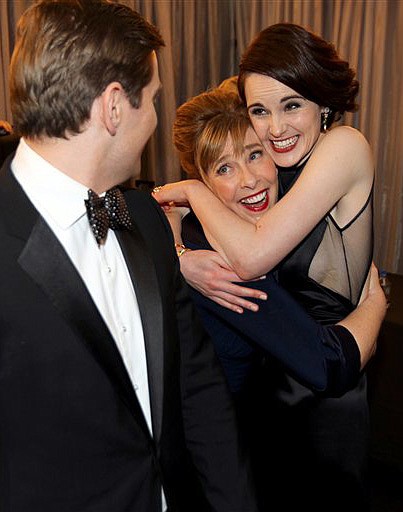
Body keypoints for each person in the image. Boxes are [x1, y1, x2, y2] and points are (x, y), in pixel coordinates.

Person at [0, 2, 260, 511]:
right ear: (114, 106)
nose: (157, 119)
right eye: (155, 100)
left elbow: (198, 387)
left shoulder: (145, 218)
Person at [153, 23, 378, 510]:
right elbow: (249, 258)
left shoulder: (334, 152)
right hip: (260, 414)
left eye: (291, 105)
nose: (275, 129)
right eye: (260, 111)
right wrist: (182, 248)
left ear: (322, 101)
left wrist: (189, 207)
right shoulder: (228, 237)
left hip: (316, 408)